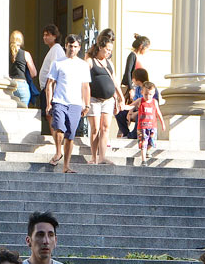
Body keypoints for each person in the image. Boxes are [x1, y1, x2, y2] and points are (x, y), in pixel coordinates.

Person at [44, 34, 91, 174]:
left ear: (79, 48)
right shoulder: (58, 63)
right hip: (59, 101)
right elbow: (50, 84)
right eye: (70, 46)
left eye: (75, 46)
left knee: (70, 135)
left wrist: (87, 104)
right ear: (66, 45)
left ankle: (66, 166)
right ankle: (58, 151)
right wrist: (48, 103)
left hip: (75, 103)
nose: (72, 49)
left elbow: (85, 86)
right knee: (59, 128)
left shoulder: (83, 65)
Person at [85, 35, 122, 165]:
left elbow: (115, 81)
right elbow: (84, 81)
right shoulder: (90, 61)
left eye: (111, 50)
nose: (109, 53)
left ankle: (102, 157)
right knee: (95, 128)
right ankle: (94, 157)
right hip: (94, 99)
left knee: (105, 127)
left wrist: (120, 97)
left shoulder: (109, 63)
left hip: (108, 100)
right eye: (107, 49)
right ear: (100, 47)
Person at [38, 25, 64, 135]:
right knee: (49, 115)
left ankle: (56, 140)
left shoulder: (56, 49)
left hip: (51, 89)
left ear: (54, 36)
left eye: (47, 35)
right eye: (44, 35)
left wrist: (50, 90)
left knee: (51, 115)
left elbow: (55, 70)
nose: (44, 37)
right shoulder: (53, 49)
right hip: (47, 88)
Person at [133, 81, 166, 164]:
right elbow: (132, 105)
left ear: (153, 93)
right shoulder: (140, 100)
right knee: (143, 142)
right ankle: (144, 160)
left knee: (151, 142)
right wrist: (125, 108)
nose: (148, 96)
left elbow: (158, 112)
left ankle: (146, 150)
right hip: (142, 126)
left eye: (150, 94)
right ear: (142, 92)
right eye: (146, 94)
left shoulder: (154, 102)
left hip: (152, 126)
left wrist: (162, 123)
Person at [8, 30, 38, 107]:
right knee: (23, 114)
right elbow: (34, 73)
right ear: (21, 41)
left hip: (10, 85)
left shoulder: (6, 54)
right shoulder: (26, 54)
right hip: (22, 86)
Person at [122, 34, 150, 101]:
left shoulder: (139, 57)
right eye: (147, 48)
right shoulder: (132, 56)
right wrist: (130, 89)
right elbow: (128, 72)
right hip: (133, 86)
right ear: (141, 47)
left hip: (139, 87)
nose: (147, 50)